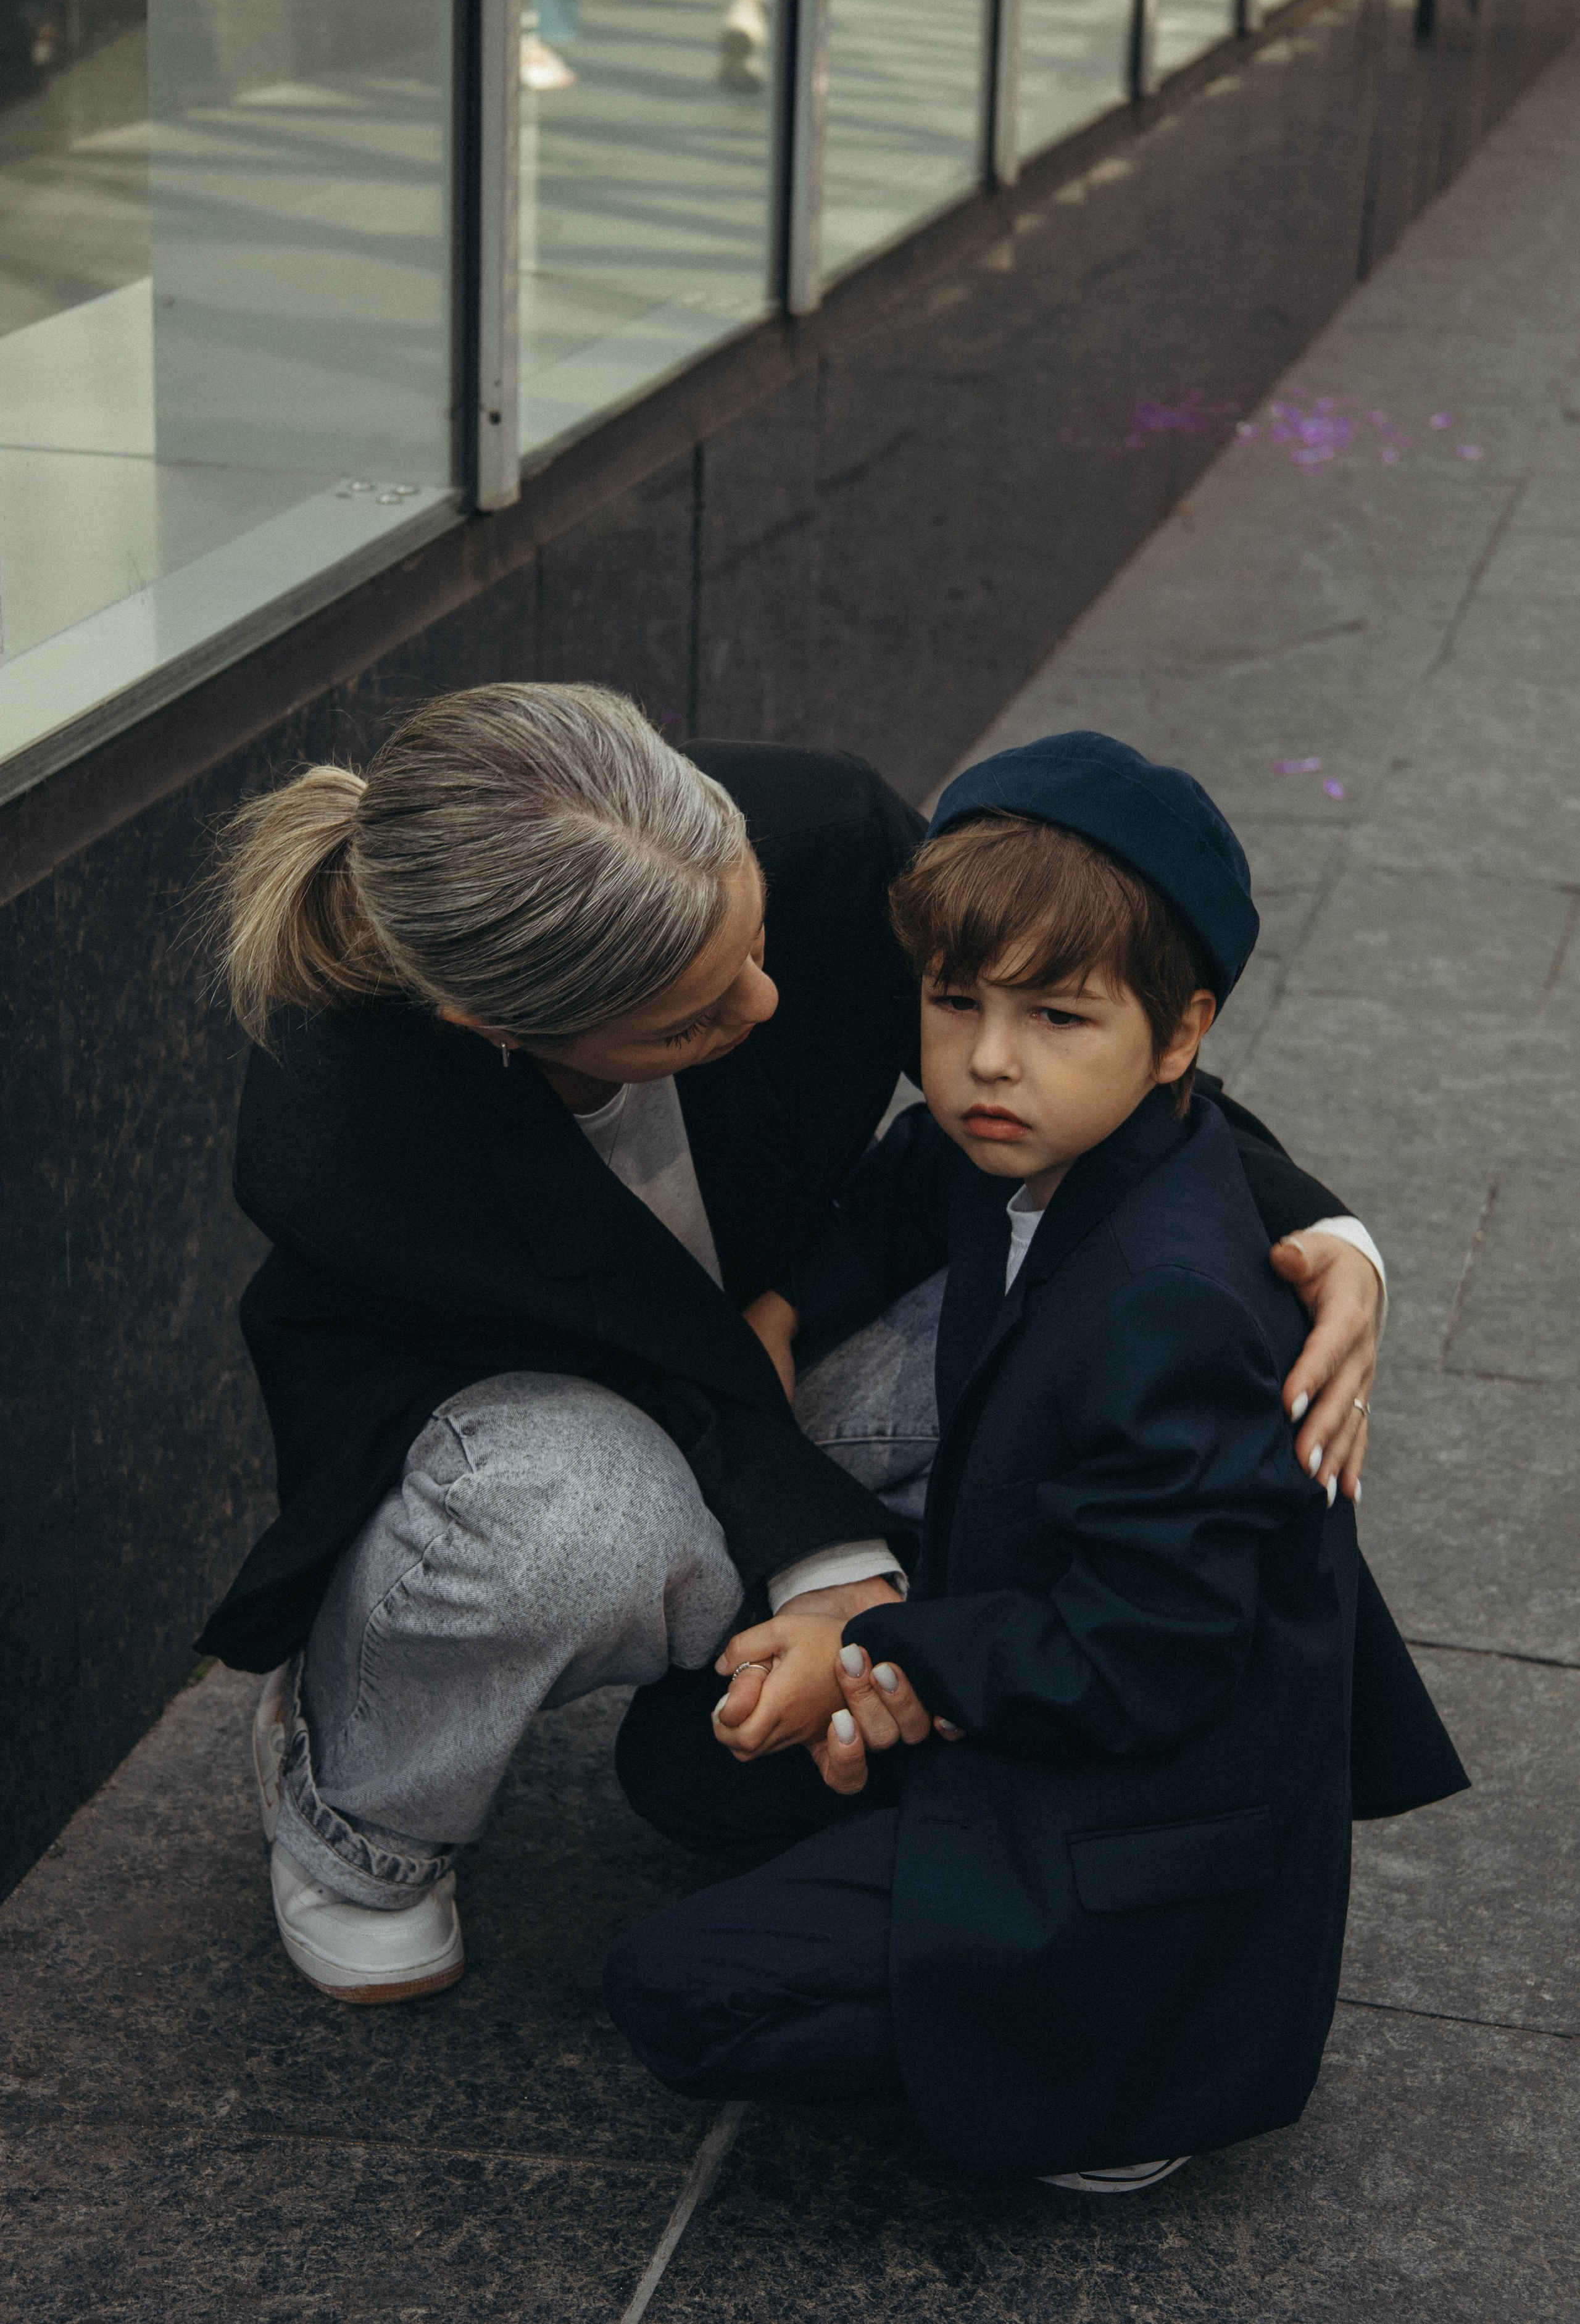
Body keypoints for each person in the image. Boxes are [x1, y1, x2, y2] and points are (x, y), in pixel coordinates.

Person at [201, 683, 1389, 2005]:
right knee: (583, 1523)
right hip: (531, 1418)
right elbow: (651, 1355)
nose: (766, 1001)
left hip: (762, 1351)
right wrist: (830, 1572)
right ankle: (353, 1810)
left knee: (1152, 1317)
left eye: (757, 942)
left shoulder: (822, 833)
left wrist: (1317, 1231)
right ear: (500, 1029)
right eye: (690, 1020)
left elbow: (1085, 1025)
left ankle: (976, 1687)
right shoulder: (349, 1135)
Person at [604, 731, 1469, 2190]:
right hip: (1043, 1671)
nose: (988, 1062)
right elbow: (906, 1179)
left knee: (676, 1994)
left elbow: (1140, 1664)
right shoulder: (1025, 1140)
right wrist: (784, 1309)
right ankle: (929, 1866)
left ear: (1179, 1035)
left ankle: (1124, 2079)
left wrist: (871, 1649)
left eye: (1057, 1015)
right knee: (679, 1765)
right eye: (955, 1003)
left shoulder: (1175, 1308)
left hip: (1138, 1807)